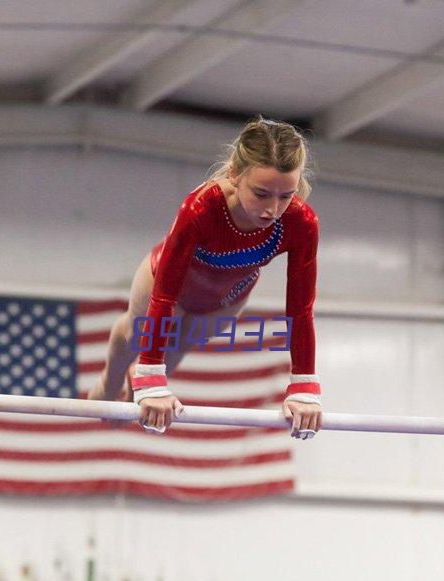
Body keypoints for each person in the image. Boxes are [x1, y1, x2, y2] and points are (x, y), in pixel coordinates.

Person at [88, 116, 322, 439]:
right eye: (262, 193)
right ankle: (109, 382)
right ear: (234, 175)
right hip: (165, 281)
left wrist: (303, 385)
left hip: (225, 299)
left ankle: (133, 384)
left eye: (286, 196)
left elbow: (300, 308)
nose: (273, 209)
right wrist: (152, 376)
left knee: (176, 352)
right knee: (135, 336)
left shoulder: (301, 223)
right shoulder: (202, 209)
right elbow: (165, 295)